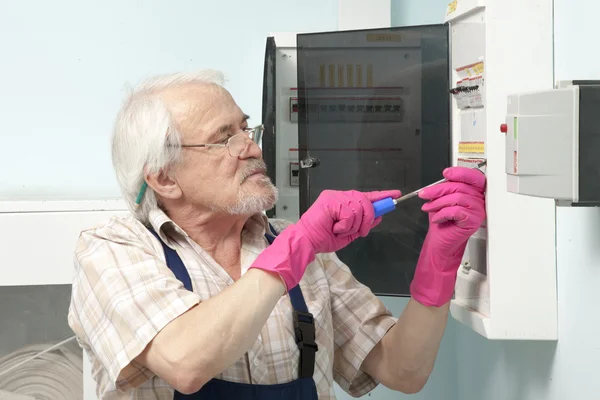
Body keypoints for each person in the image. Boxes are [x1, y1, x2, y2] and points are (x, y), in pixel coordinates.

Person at [67, 70, 486, 400]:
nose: (251, 148)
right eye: (223, 140)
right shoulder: (112, 251)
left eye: (247, 130)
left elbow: (403, 370)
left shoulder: (294, 245)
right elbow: (186, 363)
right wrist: (297, 246)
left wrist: (440, 260)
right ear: (164, 178)